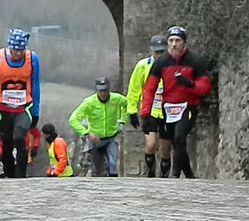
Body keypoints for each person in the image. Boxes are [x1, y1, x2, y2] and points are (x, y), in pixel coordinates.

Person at [140, 26, 211, 178]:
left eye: (177, 41)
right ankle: (189, 175)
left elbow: (205, 87)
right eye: (171, 41)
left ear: (184, 42)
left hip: (189, 105)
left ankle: (175, 176)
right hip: (169, 107)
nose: (174, 44)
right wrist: (145, 114)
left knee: (180, 136)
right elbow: (149, 89)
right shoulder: (161, 62)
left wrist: (190, 84)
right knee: (176, 142)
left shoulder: (194, 60)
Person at [0, 29, 41, 178]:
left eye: (21, 50)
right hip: (3, 108)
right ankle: (10, 174)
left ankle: (21, 176)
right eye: (15, 51)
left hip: (23, 107)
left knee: (20, 137)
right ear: (9, 48)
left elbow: (35, 85)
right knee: (6, 142)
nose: (18, 54)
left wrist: (35, 112)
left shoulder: (32, 58)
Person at [126, 35, 172, 177]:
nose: (159, 55)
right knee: (151, 144)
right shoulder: (142, 65)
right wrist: (132, 111)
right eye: (157, 52)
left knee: (165, 149)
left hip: (167, 110)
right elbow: (134, 89)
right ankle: (150, 173)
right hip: (150, 110)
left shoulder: (173, 66)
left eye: (162, 52)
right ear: (151, 51)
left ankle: (164, 177)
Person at [68, 77, 128, 177]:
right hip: (96, 140)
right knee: (98, 168)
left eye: (105, 91)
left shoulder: (116, 98)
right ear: (97, 90)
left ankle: (115, 187)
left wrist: (122, 121)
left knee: (112, 164)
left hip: (111, 137)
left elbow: (127, 104)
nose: (103, 94)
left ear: (109, 90)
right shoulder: (89, 102)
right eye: (100, 91)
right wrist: (86, 133)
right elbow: (73, 119)